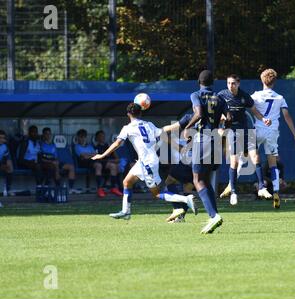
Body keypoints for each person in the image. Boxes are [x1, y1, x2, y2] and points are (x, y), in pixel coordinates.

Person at [91, 102, 196, 220]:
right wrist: (180, 146)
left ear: (128, 114)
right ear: (140, 113)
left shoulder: (128, 128)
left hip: (147, 163)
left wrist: (102, 155)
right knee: (127, 182)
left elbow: (117, 144)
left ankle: (185, 199)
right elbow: (163, 135)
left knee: (156, 193)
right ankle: (126, 211)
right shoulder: (149, 124)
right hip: (144, 161)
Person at [182, 70, 231, 234]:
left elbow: (199, 113)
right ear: (213, 83)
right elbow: (229, 118)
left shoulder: (196, 94)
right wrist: (223, 130)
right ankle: (214, 215)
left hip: (202, 138)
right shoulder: (220, 98)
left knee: (197, 179)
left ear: (199, 81)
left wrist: (187, 128)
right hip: (216, 139)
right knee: (206, 179)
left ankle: (213, 215)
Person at [218, 74, 272, 205]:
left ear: (238, 84)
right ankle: (234, 192)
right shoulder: (221, 96)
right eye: (229, 83)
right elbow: (215, 112)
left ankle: (261, 188)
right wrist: (222, 118)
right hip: (233, 132)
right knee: (234, 162)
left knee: (256, 158)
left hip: (247, 130)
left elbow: (254, 110)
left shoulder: (244, 96)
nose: (231, 85)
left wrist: (263, 119)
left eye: (233, 83)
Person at [251, 68, 295, 209]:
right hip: (272, 133)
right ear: (274, 82)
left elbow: (249, 107)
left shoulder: (255, 95)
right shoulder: (279, 98)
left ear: (262, 80)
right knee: (273, 164)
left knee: (254, 157)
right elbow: (286, 116)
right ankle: (276, 193)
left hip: (259, 130)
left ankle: (261, 185)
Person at [40, 127, 78, 192]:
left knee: (71, 167)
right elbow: (41, 157)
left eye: (49, 134)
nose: (48, 135)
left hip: (55, 162)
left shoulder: (53, 145)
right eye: (46, 134)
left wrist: (56, 160)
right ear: (43, 135)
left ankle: (71, 188)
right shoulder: (41, 144)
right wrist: (52, 161)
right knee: (55, 165)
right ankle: (58, 186)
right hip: (46, 163)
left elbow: (56, 156)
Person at [74, 129, 109, 197]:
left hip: (93, 161)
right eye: (81, 137)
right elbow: (83, 156)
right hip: (83, 163)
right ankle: (100, 188)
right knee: (98, 165)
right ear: (78, 138)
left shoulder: (89, 146)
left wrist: (88, 155)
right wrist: (90, 155)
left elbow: (95, 154)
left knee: (110, 165)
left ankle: (108, 186)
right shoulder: (77, 146)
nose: (82, 139)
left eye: (84, 137)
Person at [93, 130, 123, 197]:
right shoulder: (95, 147)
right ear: (97, 138)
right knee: (99, 166)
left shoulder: (108, 146)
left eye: (103, 136)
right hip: (99, 163)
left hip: (107, 163)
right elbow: (97, 157)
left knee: (114, 166)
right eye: (100, 136)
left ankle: (113, 188)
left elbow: (117, 159)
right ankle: (99, 189)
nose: (102, 138)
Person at [0, 130, 13, 195]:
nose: (2, 140)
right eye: (0, 138)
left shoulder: (5, 147)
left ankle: (7, 189)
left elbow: (8, 158)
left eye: (3, 138)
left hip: (1, 164)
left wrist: (8, 165)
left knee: (10, 168)